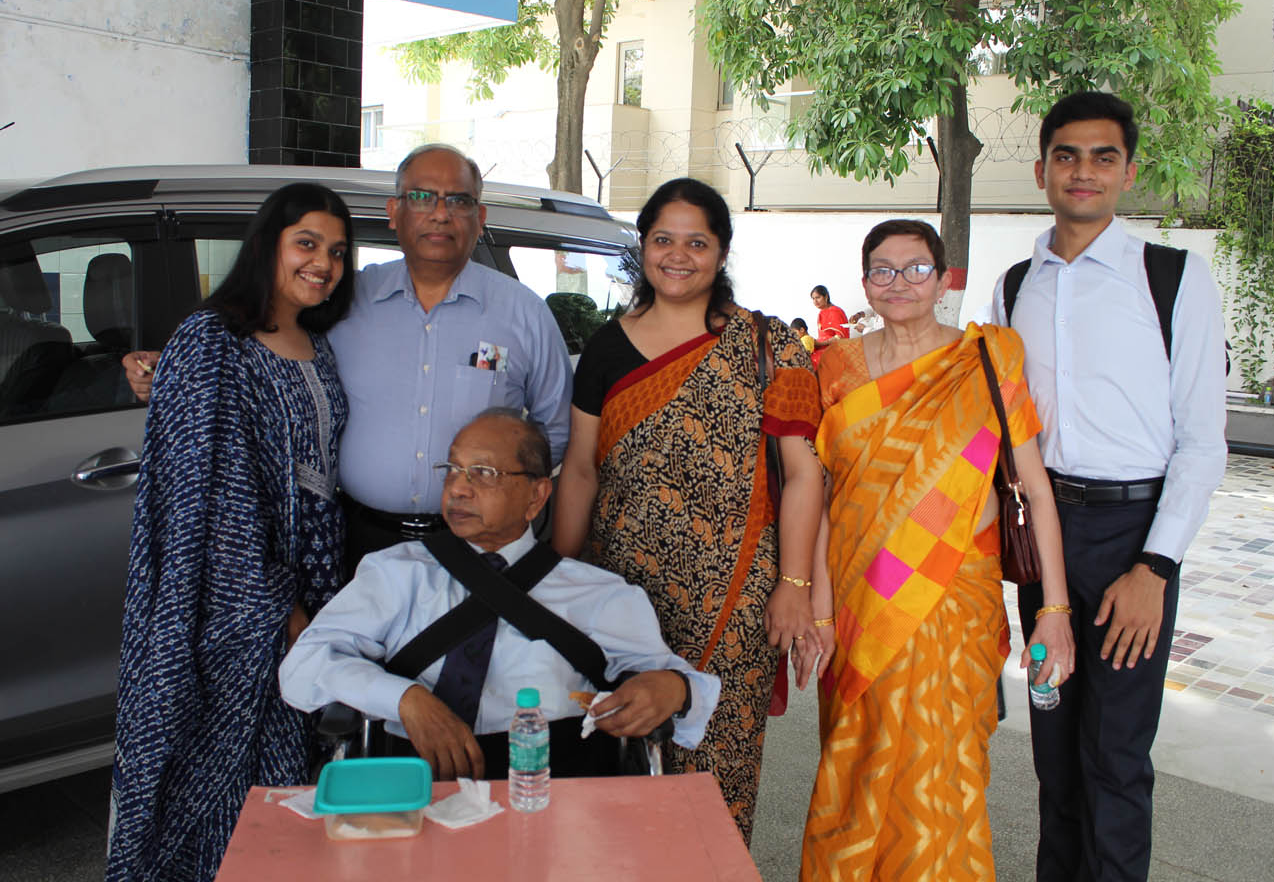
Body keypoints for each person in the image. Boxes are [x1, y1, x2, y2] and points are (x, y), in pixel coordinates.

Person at [125, 144, 574, 574]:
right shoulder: (342, 301)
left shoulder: (525, 314)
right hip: (359, 543)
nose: (440, 213)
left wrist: (507, 502)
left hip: (481, 545)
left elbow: (553, 432)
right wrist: (177, 370)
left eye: (459, 200)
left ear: (480, 218)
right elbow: (267, 350)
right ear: (393, 213)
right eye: (422, 197)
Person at [992, 92, 1226, 882]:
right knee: (1054, 753)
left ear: (1128, 171)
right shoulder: (1014, 286)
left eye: (1103, 156)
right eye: (1066, 155)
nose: (1083, 171)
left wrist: (1155, 568)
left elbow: (1203, 442)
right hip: (1044, 547)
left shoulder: (1173, 278)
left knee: (1116, 759)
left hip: (1134, 540)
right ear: (1041, 171)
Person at [800, 219, 1076, 880]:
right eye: (883, 270)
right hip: (860, 597)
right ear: (865, 282)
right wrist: (819, 614)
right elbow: (826, 501)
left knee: (945, 768)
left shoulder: (989, 359)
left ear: (944, 278)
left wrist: (1055, 611)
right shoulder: (834, 367)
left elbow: (1036, 489)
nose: (899, 283)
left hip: (955, 598)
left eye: (917, 268)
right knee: (858, 762)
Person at [553, 177, 825, 843]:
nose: (678, 256)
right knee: (618, 764)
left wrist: (794, 585)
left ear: (722, 252)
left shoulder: (767, 345)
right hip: (622, 596)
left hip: (735, 600)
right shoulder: (606, 348)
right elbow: (581, 470)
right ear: (642, 247)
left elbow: (803, 473)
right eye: (662, 240)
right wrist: (554, 579)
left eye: (696, 243)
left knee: (717, 779)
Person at [106, 184, 355, 882]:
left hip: (319, 582)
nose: (323, 263)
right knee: (225, 783)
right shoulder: (213, 338)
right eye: (306, 243)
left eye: (338, 252)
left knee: (298, 781)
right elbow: (210, 499)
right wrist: (282, 610)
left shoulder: (320, 342)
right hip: (233, 604)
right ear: (268, 244)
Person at [279, 409, 720, 780]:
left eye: (484, 473)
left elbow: (686, 690)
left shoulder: (599, 594)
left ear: (536, 496)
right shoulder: (397, 573)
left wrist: (672, 689)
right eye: (452, 469)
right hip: (412, 789)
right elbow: (302, 667)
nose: (458, 487)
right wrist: (405, 700)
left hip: (555, 795)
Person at [809, 284, 848, 365]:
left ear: (826, 297)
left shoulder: (836, 312)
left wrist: (820, 344)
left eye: (818, 297)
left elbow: (840, 337)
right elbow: (822, 336)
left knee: (813, 360)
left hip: (835, 349)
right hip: (822, 347)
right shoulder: (821, 313)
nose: (815, 301)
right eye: (813, 299)